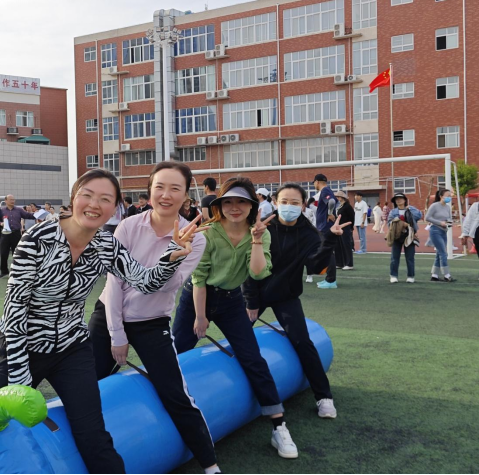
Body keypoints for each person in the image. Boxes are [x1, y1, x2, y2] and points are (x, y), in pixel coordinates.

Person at [0, 169, 195, 474]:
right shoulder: (37, 239)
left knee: (94, 435)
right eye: (87, 195)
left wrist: (172, 256)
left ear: (115, 207)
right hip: (21, 346)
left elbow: (145, 282)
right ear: (73, 198)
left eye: (105, 199)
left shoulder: (106, 244)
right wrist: (20, 381)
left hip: (71, 349)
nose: (94, 204)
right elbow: (14, 311)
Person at [88, 163, 221, 475]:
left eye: (175, 188)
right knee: (86, 385)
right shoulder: (128, 226)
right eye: (159, 187)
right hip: (109, 314)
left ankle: (210, 465)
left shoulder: (196, 239)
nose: (166, 194)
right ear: (149, 191)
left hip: (152, 322)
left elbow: (167, 286)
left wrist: (174, 253)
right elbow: (114, 283)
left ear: (186, 196)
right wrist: (117, 335)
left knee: (175, 394)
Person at [172, 177, 299, 460]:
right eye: (228, 202)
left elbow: (257, 273)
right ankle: (165, 409)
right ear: (219, 205)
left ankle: (279, 426)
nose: (234, 207)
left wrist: (256, 240)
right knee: (175, 352)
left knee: (253, 358)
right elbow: (199, 278)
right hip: (197, 298)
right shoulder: (208, 232)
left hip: (231, 301)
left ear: (252, 205)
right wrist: (201, 317)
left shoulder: (260, 233)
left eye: (241, 201)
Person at [243, 183, 350, 422]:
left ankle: (324, 397)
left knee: (303, 342)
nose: (288, 207)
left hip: (286, 295)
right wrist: (251, 301)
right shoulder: (262, 227)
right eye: (284, 202)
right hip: (254, 294)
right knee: (238, 338)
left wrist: (330, 239)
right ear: (275, 202)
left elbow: (315, 266)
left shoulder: (309, 233)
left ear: (303, 205)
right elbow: (247, 267)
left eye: (294, 203)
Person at [387, 193, 422, 284]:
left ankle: (411, 276)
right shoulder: (393, 212)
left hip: (409, 235)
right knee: (394, 257)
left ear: (405, 200)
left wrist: (411, 207)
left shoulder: (410, 210)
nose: (398, 200)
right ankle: (393, 275)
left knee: (410, 257)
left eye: (400, 198)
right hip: (397, 236)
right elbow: (389, 223)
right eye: (396, 199)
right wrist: (401, 223)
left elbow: (419, 215)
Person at [1, 195, 36, 278]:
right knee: (3, 253)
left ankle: (17, 271)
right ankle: (4, 271)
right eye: (11, 200)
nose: (13, 201)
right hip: (5, 234)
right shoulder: (2, 211)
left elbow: (28, 215)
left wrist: (38, 214)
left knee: (17, 253)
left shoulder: (19, 210)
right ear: (6, 201)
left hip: (16, 234)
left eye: (13, 200)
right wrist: (1, 223)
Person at [313, 174, 338, 289]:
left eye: (314, 182)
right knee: (327, 252)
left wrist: (330, 213)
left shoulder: (325, 190)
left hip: (325, 226)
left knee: (328, 252)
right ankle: (329, 278)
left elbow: (331, 201)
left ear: (317, 182)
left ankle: (331, 280)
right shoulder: (328, 191)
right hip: (326, 226)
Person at [426, 189, 455, 282]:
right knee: (443, 253)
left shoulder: (447, 207)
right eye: (447, 195)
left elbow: (449, 218)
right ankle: (446, 275)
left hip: (444, 231)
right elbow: (427, 217)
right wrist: (440, 222)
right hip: (435, 230)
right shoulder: (434, 206)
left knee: (439, 253)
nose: (449, 197)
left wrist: (449, 222)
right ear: (441, 196)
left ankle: (434, 275)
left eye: (450, 196)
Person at [335, 191, 355, 271]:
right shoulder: (341, 206)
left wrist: (350, 227)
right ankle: (340, 263)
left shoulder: (347, 206)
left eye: (338, 197)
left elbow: (352, 217)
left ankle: (349, 264)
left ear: (342, 197)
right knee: (339, 245)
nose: (337, 198)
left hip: (345, 227)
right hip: (339, 227)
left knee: (346, 245)